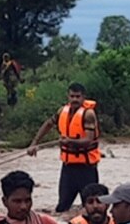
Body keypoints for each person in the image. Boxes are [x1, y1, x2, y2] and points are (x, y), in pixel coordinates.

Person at [27, 82, 100, 213]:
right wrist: (34, 143)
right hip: (68, 169)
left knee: (91, 209)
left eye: (78, 96)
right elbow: (48, 124)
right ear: (68, 96)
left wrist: (69, 141)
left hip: (87, 169)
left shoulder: (88, 114)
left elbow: (88, 140)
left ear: (83, 97)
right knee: (61, 208)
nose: (74, 100)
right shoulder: (62, 111)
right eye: (72, 96)